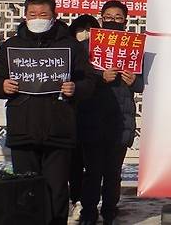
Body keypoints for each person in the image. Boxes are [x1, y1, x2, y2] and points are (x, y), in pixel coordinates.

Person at [0, 0, 96, 225]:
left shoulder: (69, 46)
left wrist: (75, 88)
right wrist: (1, 85)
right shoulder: (12, 45)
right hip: (22, 129)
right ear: (25, 16)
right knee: (25, 189)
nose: (37, 18)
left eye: (43, 14)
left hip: (59, 129)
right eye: (32, 14)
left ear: (54, 16)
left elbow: (89, 81)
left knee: (56, 190)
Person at [77, 1, 144, 225]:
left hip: (121, 118)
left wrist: (134, 80)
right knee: (92, 170)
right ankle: (88, 210)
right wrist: (98, 78)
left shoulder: (134, 47)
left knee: (113, 171)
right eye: (108, 16)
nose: (112, 21)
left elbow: (143, 83)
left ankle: (109, 209)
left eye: (117, 17)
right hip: (92, 116)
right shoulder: (87, 47)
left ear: (125, 20)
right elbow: (77, 79)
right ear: (101, 17)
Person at [67, 14, 100, 222]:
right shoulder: (68, 52)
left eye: (90, 30)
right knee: (74, 164)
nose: (85, 34)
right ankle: (75, 200)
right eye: (81, 30)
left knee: (93, 166)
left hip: (96, 119)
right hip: (71, 118)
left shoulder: (102, 52)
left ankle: (89, 206)